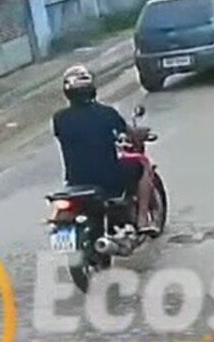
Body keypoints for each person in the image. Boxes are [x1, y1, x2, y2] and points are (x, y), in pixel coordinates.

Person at [51, 65, 157, 233]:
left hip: (75, 180)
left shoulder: (59, 118)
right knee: (142, 164)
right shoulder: (107, 113)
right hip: (109, 178)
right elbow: (130, 134)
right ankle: (142, 219)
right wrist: (141, 134)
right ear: (91, 88)